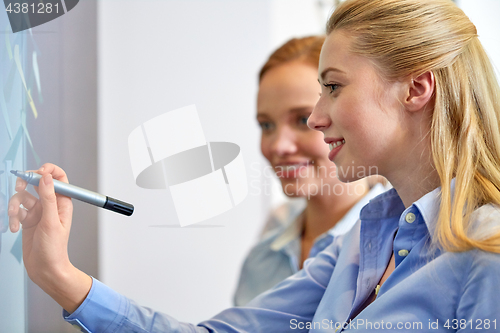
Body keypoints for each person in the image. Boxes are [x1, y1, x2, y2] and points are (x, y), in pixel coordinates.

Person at [8, 0, 500, 331]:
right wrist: (56, 273)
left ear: (417, 88)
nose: (315, 116)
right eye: (266, 124)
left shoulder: (487, 252)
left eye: (333, 86)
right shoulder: (360, 243)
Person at [235, 36, 386, 306]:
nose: (278, 146)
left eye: (302, 120)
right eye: (266, 125)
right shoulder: (267, 250)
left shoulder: (398, 247)